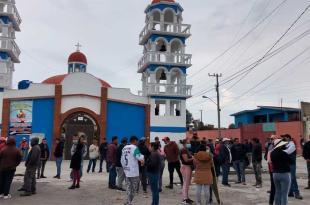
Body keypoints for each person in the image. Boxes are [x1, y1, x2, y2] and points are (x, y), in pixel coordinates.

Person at [121, 136, 145, 205]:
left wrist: (124, 168)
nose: (137, 143)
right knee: (134, 189)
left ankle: (128, 202)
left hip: (127, 171)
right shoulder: (134, 148)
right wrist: (143, 158)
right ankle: (129, 202)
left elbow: (122, 160)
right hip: (134, 172)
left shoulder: (124, 148)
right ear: (134, 141)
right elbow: (139, 156)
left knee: (128, 188)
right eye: (137, 141)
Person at [271, 139, 291, 205]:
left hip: (275, 174)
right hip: (284, 174)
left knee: (278, 192)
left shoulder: (272, 153)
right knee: (284, 194)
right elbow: (291, 161)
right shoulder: (284, 153)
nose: (284, 145)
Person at [282, 134, 303, 199]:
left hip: (291, 164)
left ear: (288, 138)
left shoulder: (292, 145)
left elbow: (287, 152)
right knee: (288, 178)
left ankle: (297, 193)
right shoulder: (286, 144)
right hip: (287, 164)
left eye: (284, 138)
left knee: (293, 178)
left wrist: (280, 150)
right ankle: (290, 192)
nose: (283, 139)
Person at [180, 139, 194, 204]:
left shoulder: (186, 150)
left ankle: (186, 197)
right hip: (185, 167)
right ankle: (184, 199)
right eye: (188, 143)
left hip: (188, 167)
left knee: (187, 183)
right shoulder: (183, 150)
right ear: (185, 143)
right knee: (186, 183)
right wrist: (193, 158)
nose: (189, 144)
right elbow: (186, 160)